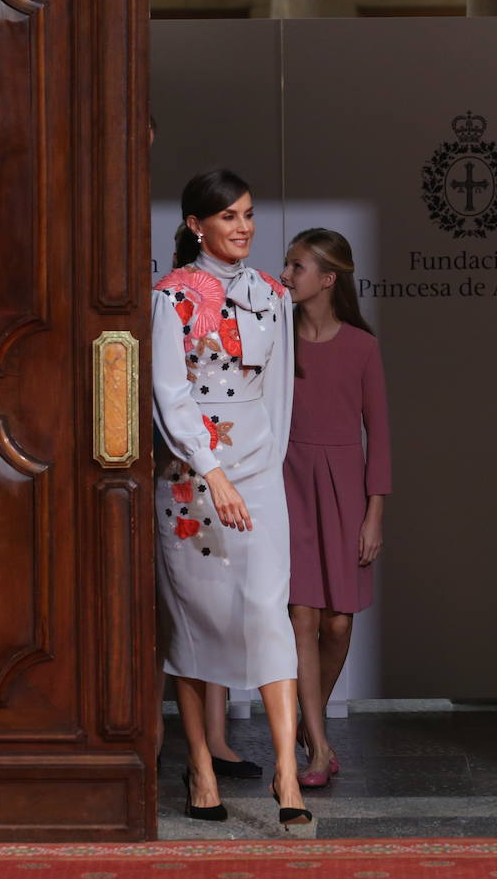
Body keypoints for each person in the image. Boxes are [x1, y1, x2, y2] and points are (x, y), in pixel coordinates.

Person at [152, 169, 309, 826]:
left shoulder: (272, 294)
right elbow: (169, 391)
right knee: (199, 617)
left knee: (270, 611)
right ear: (196, 225)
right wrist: (211, 469)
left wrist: (263, 467)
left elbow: (279, 390)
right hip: (192, 478)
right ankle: (201, 766)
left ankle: (287, 773)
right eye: (228, 217)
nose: (242, 227)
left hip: (258, 471)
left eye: (248, 214)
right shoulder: (170, 295)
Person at [278, 228, 391, 788]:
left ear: (328, 279)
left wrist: (375, 513)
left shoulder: (363, 347)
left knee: (338, 623)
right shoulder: (277, 339)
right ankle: (319, 749)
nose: (285, 275)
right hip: (288, 483)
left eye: (296, 267)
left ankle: (308, 717)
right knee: (301, 615)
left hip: (346, 488)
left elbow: (382, 435)